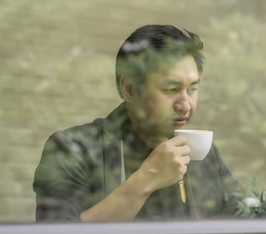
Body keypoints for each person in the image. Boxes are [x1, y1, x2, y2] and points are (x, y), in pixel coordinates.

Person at [33, 25, 239, 221]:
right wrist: (147, 179)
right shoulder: (72, 149)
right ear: (130, 89)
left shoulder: (203, 154)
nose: (185, 104)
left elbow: (247, 220)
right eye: (171, 89)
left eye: (192, 89)